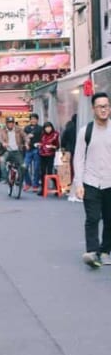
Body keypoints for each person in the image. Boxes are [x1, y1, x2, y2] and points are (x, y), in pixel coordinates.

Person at [73, 93, 111, 268]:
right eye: (100, 106)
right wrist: (78, 184)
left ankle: (105, 251)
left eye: (106, 106)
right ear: (93, 109)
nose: (104, 109)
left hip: (110, 182)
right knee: (93, 217)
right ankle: (92, 252)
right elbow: (78, 158)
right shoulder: (85, 131)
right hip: (91, 180)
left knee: (110, 219)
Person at [0, 116, 27, 187]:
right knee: (2, 162)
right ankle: (5, 178)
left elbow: (25, 136)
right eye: (9, 123)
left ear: (14, 123)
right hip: (6, 151)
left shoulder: (19, 129)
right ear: (6, 123)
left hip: (17, 151)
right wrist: (3, 143)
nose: (10, 124)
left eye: (12, 123)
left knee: (23, 166)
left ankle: (19, 180)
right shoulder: (2, 130)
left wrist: (26, 143)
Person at [36, 121, 60, 193]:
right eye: (46, 128)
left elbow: (58, 146)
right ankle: (43, 189)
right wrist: (39, 145)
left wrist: (52, 146)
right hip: (42, 154)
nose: (48, 129)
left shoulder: (55, 134)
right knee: (42, 172)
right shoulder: (43, 135)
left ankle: (57, 187)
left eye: (49, 127)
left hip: (51, 155)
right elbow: (41, 142)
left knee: (50, 172)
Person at [23, 113, 41, 191]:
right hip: (28, 150)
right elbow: (23, 138)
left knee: (36, 168)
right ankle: (28, 183)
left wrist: (40, 144)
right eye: (32, 119)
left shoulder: (40, 128)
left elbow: (43, 138)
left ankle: (35, 185)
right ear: (30, 120)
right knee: (24, 166)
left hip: (37, 150)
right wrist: (26, 142)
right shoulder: (26, 128)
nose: (33, 120)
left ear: (37, 120)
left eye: (35, 119)